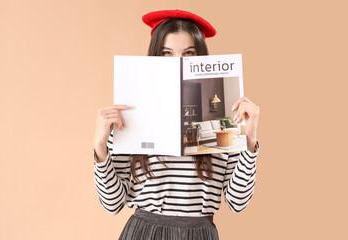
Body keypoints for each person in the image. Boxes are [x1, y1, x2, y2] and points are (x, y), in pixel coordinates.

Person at [93, 9, 260, 240]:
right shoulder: (131, 114)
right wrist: (100, 148)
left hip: (200, 232)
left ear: (201, 58)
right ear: (155, 58)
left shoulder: (223, 113)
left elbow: (237, 202)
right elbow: (112, 204)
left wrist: (249, 143)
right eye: (166, 53)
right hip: (144, 232)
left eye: (188, 53)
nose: (178, 62)